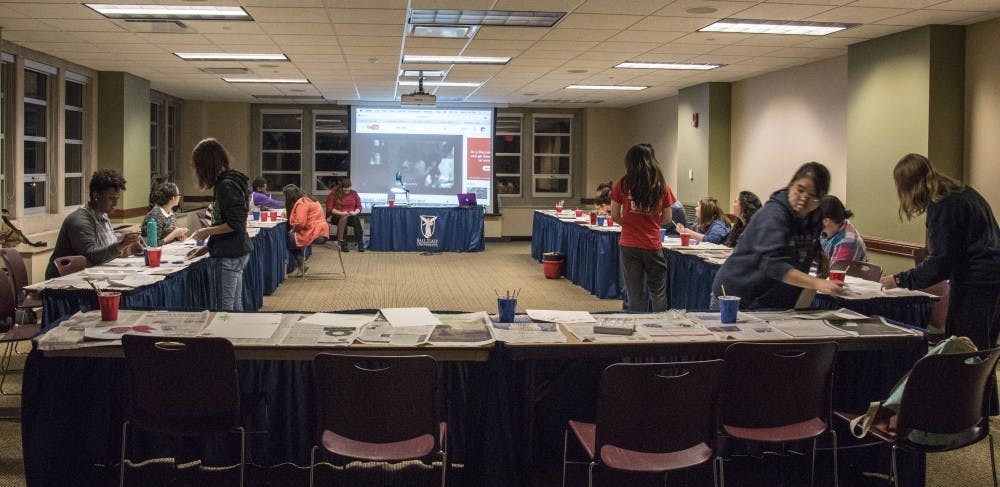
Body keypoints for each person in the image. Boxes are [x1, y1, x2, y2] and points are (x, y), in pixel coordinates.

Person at [879, 154, 1000, 352]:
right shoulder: (964, 193)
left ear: (908, 187)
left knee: (963, 351)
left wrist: (899, 280)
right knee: (983, 352)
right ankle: (983, 384)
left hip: (975, 284)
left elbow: (939, 263)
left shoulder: (944, 206)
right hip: (993, 281)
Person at [712, 162, 844, 309]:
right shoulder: (774, 215)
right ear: (791, 185)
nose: (803, 199)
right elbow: (773, 265)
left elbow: (813, 237)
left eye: (812, 196)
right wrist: (817, 283)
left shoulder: (815, 213)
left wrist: (821, 257)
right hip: (739, 295)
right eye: (800, 190)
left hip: (775, 299)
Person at [187, 138, 252, 312]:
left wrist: (206, 231)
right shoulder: (231, 182)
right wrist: (207, 247)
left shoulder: (226, 185)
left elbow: (235, 223)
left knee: (225, 309)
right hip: (235, 250)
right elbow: (227, 222)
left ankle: (227, 336)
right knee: (235, 305)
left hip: (229, 255)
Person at [611, 144, 676, 313]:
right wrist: (652, 222)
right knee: (658, 292)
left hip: (629, 244)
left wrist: (631, 223)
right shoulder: (661, 185)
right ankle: (660, 327)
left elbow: (615, 215)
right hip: (652, 244)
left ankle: (637, 330)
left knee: (634, 293)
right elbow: (668, 217)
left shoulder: (623, 184)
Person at [45, 169, 141, 279]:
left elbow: (106, 251)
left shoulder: (102, 215)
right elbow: (91, 256)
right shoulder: (80, 220)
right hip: (61, 283)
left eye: (117, 199)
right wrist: (120, 246)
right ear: (96, 195)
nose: (115, 203)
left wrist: (127, 248)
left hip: (88, 276)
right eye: (111, 198)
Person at [283, 184, 330, 277]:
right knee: (292, 239)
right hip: (320, 231)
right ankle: (302, 265)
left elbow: (300, 223)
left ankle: (300, 264)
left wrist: (293, 229)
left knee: (288, 239)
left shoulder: (302, 203)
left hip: (316, 233)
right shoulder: (309, 198)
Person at [818, 195, 867, 266]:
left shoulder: (847, 241)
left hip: (842, 276)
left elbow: (834, 274)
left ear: (826, 221)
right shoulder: (832, 229)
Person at [326, 178, 364, 252]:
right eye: (345, 190)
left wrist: (355, 212)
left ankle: (360, 243)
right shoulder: (334, 194)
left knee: (356, 219)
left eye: (348, 190)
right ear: (341, 187)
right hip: (337, 215)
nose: (347, 192)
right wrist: (341, 213)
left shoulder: (354, 193)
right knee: (343, 220)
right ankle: (343, 244)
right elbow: (330, 208)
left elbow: (359, 206)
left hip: (350, 215)